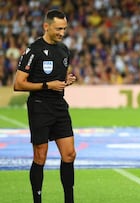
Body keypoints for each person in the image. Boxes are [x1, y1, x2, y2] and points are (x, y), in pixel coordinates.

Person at [14, 9, 77, 203]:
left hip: (59, 106)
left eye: (64, 29)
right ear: (46, 26)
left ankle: (69, 200)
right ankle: (37, 200)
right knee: (40, 157)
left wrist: (67, 80)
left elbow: (60, 75)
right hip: (39, 106)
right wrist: (47, 85)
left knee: (70, 154)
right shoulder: (33, 51)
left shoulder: (64, 49)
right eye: (58, 29)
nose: (62, 33)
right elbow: (18, 84)